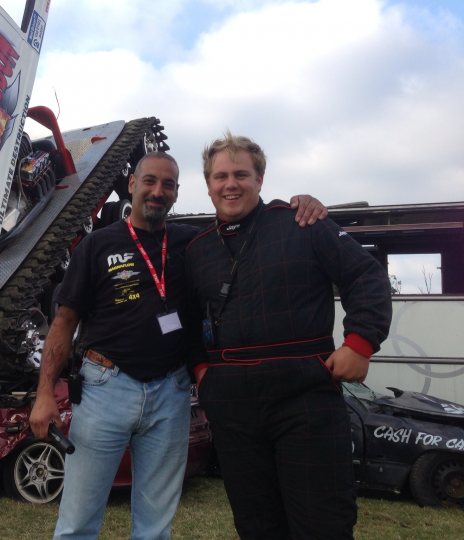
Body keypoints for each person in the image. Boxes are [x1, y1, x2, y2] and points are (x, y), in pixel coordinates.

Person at [29, 151, 327, 539]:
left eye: (167, 185)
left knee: (155, 527)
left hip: (171, 393)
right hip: (106, 387)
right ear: (132, 185)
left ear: (177, 193)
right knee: (78, 522)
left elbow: (249, 225)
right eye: (149, 181)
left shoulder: (194, 241)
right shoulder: (98, 245)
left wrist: (298, 205)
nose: (157, 191)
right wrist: (44, 394)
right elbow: (63, 322)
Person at [186, 133, 392, 540]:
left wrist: (360, 343)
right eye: (221, 176)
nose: (231, 184)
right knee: (257, 525)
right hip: (234, 410)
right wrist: (202, 371)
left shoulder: (303, 223)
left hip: (305, 402)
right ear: (208, 185)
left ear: (260, 179)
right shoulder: (196, 249)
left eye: (241, 174)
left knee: (323, 524)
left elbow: (365, 276)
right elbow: (190, 319)